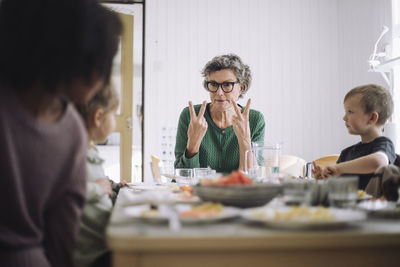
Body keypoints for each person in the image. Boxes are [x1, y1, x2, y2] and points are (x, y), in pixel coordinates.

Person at [0, 1, 122, 267]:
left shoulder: (72, 130)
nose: (102, 79)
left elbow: (64, 235)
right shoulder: (71, 131)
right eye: (100, 65)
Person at [174, 54, 265, 173]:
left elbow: (253, 178)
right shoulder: (191, 115)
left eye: (227, 85)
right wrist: (193, 143)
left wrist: (245, 140)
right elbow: (182, 177)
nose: (219, 93)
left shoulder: (254, 119)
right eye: (213, 84)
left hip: (238, 191)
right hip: (199, 191)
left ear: (241, 88)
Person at [312, 84, 396, 191]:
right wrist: (325, 178)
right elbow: (338, 188)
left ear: (372, 117)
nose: (344, 117)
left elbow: (378, 162)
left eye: (350, 112)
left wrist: (338, 168)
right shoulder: (346, 153)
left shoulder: (384, 144)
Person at [74, 85, 121, 267]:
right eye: (114, 115)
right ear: (98, 117)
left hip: (102, 245)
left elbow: (98, 180)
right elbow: (63, 189)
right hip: (92, 256)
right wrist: (97, 189)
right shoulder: (75, 154)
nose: (116, 121)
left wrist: (114, 186)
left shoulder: (88, 150)